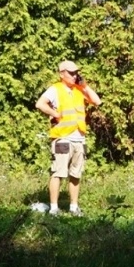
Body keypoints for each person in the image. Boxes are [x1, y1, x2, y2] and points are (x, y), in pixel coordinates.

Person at [32, 60, 100, 216]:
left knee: (76, 174)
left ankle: (74, 207)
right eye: (71, 73)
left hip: (79, 138)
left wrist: (85, 85)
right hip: (62, 138)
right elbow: (40, 104)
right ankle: (54, 208)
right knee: (58, 173)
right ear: (61, 74)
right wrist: (55, 114)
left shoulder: (79, 89)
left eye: (76, 72)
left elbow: (97, 101)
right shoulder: (55, 89)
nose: (74, 75)